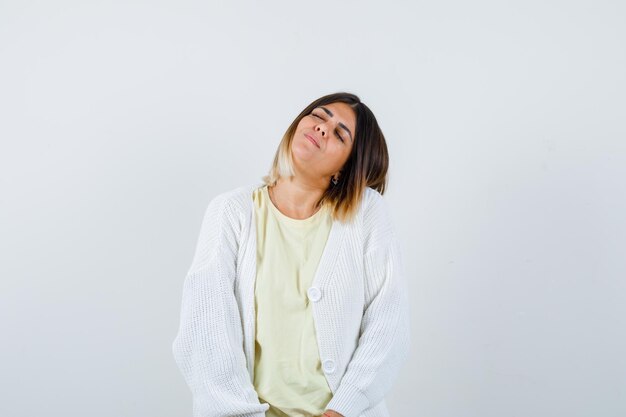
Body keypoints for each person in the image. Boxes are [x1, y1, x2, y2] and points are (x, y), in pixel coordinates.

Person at [172, 92, 411, 417]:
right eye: (319, 115)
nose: (323, 128)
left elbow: (388, 323)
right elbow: (206, 334)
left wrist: (342, 409)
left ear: (346, 166)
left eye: (341, 134)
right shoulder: (231, 211)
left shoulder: (367, 214)